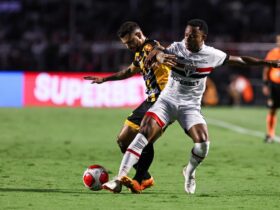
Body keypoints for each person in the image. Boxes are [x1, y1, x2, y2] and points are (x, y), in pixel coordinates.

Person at [102, 19, 280, 194]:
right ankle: (119, 179)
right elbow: (159, 51)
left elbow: (241, 59)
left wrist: (267, 63)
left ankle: (189, 171)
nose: (187, 39)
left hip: (190, 107)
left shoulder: (212, 55)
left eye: (192, 36)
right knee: (143, 134)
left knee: (203, 144)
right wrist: (159, 56)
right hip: (166, 102)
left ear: (203, 36)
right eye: (186, 35)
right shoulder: (177, 48)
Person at [84, 21, 170, 193]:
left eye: (130, 42)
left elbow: (159, 51)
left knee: (145, 139)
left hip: (164, 100)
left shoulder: (151, 46)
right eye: (126, 44)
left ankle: (137, 180)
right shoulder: (139, 54)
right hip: (150, 100)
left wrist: (158, 55)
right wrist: (105, 79)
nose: (129, 46)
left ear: (139, 35)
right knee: (123, 139)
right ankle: (145, 177)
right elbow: (128, 72)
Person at [263, 34, 280, 143]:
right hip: (274, 86)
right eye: (278, 40)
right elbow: (266, 69)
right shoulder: (273, 53)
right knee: (273, 109)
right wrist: (265, 84)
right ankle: (270, 134)